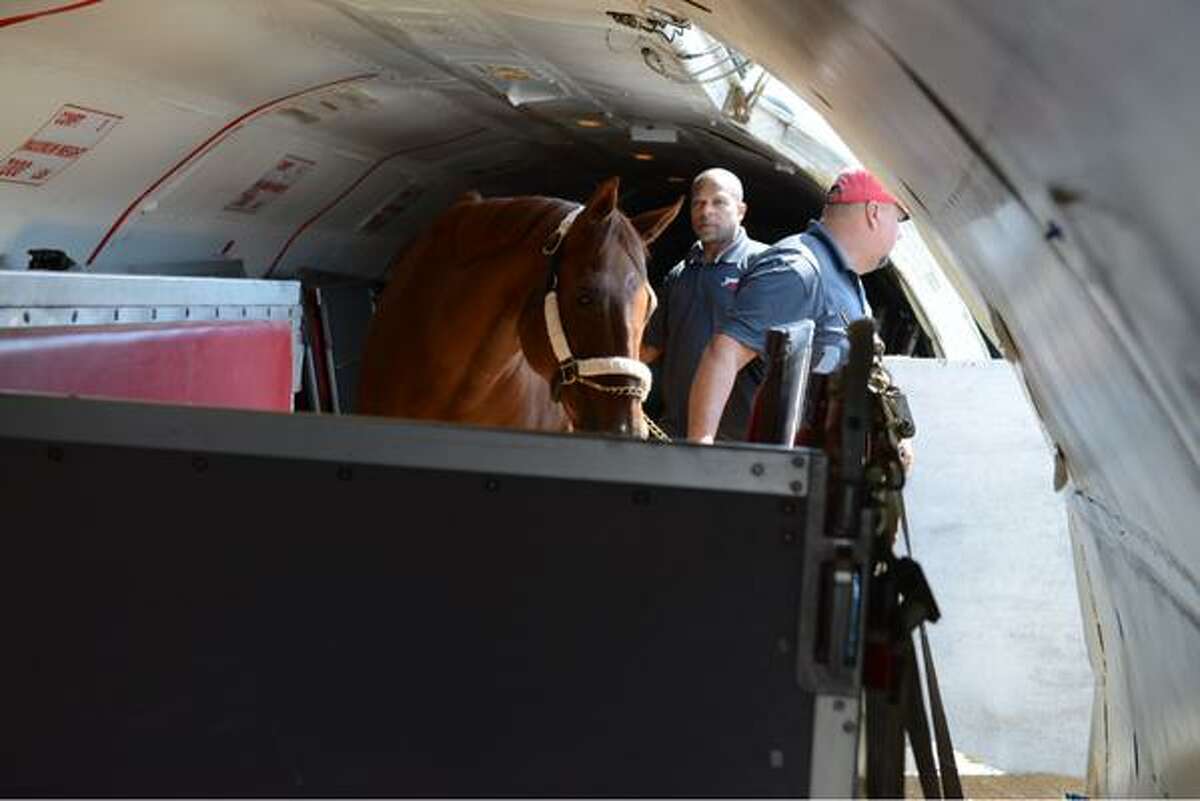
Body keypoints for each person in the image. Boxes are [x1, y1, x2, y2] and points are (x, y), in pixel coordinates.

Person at [686, 168, 909, 443]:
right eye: (897, 220)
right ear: (874, 213)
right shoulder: (799, 268)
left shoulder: (846, 279)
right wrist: (700, 447)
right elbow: (724, 353)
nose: (899, 235)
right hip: (778, 472)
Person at [640, 168, 767, 440]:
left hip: (738, 441)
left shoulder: (764, 267)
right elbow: (650, 347)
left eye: (719, 202)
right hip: (674, 434)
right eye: (698, 203)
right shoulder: (680, 274)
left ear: (741, 210)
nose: (706, 211)